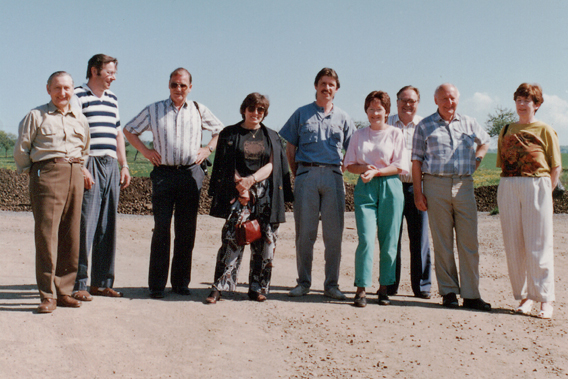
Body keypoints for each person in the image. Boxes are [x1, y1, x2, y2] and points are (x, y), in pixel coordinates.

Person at [124, 68, 224, 299]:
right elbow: (129, 130)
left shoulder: (199, 110)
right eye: (174, 85)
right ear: (168, 85)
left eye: (182, 85)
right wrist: (146, 151)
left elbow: (221, 130)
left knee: (186, 230)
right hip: (164, 175)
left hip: (190, 174)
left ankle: (180, 283)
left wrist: (208, 148)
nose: (178, 89)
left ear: (190, 87)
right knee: (161, 229)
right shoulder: (154, 109)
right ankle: (157, 286)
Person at [206, 93, 293, 304]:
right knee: (232, 238)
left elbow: (274, 165)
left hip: (265, 193)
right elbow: (225, 164)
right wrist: (241, 186)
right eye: (252, 109)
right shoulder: (230, 133)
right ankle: (220, 286)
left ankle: (258, 287)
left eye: (260, 110)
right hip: (238, 192)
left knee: (266, 241)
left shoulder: (271, 136)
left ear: (264, 113)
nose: (255, 113)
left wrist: (252, 180)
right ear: (244, 109)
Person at [14, 71, 90, 313]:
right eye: (57, 88)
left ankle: (65, 291)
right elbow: (22, 149)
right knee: (47, 235)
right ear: (48, 89)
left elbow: (85, 148)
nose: (62, 93)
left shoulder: (80, 118)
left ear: (72, 90)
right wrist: (35, 172)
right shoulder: (36, 115)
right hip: (47, 173)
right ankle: (48, 295)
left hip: (75, 173)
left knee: (71, 234)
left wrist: (77, 169)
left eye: (67, 88)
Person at [412, 83, 492, 311]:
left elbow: (485, 141)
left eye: (453, 98)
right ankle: (448, 292)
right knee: (442, 241)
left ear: (458, 99)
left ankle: (471, 294)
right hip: (435, 185)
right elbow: (416, 161)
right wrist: (418, 192)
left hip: (464, 185)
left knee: (469, 242)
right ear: (436, 100)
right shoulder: (425, 126)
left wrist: (477, 159)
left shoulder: (469, 122)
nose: (449, 103)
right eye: (444, 99)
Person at [280, 68, 356, 300]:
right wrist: (298, 174)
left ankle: (331, 285)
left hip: (333, 178)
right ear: (316, 86)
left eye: (331, 84)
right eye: (323, 83)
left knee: (333, 235)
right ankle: (303, 283)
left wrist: (340, 171)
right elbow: (290, 148)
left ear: (337, 89)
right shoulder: (302, 114)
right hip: (307, 176)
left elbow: (353, 150)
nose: (327, 88)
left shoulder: (344, 117)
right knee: (305, 234)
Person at [497, 83, 561, 319]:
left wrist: (544, 193)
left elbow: (555, 166)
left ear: (537, 105)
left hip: (537, 185)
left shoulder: (545, 130)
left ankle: (545, 299)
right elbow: (503, 163)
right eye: (519, 100)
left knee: (539, 243)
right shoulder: (506, 130)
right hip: (509, 184)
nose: (522, 105)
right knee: (515, 244)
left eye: (527, 101)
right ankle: (525, 297)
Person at [71, 54, 131, 301]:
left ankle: (102, 282)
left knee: (108, 226)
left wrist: (124, 164)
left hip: (111, 165)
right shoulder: (77, 95)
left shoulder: (113, 99)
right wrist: (81, 167)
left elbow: (118, 133)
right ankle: (79, 284)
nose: (113, 77)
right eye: (109, 72)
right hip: (90, 163)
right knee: (86, 225)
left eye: (114, 72)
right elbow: (72, 133)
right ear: (94, 71)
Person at [345, 91, 407, 307]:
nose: (374, 113)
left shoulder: (396, 134)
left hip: (391, 186)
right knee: (365, 238)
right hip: (365, 187)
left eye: (379, 109)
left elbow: (399, 165)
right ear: (366, 111)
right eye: (371, 109)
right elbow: (349, 164)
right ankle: (361, 289)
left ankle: (384, 288)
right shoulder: (358, 135)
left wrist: (378, 172)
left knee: (389, 239)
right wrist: (365, 169)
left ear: (387, 111)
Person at [386, 86, 432, 299]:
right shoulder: (385, 123)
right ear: (397, 102)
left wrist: (421, 190)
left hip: (417, 187)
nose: (407, 104)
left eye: (412, 101)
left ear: (418, 102)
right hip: (391, 185)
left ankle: (422, 287)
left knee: (420, 238)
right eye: (403, 100)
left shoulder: (425, 125)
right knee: (390, 237)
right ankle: (389, 284)